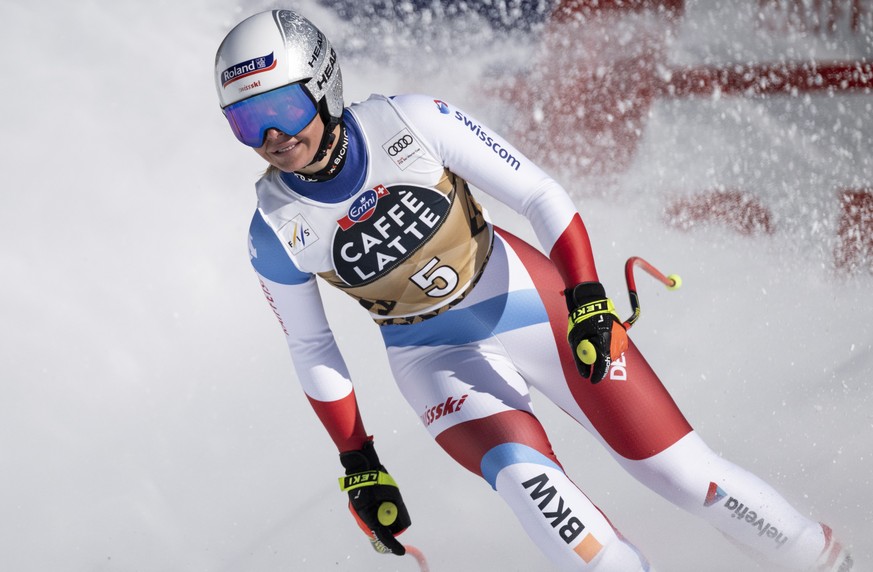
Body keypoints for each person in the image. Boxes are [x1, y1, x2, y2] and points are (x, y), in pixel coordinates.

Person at [213, 9, 853, 571]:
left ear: (323, 86)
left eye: (283, 109)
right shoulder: (272, 228)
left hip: (532, 300)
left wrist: (586, 298)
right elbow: (312, 347)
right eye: (247, 122)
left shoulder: (409, 120)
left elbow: (540, 194)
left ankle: (820, 558)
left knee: (686, 478)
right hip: (434, 361)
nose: (274, 138)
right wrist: (359, 463)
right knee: (551, 511)